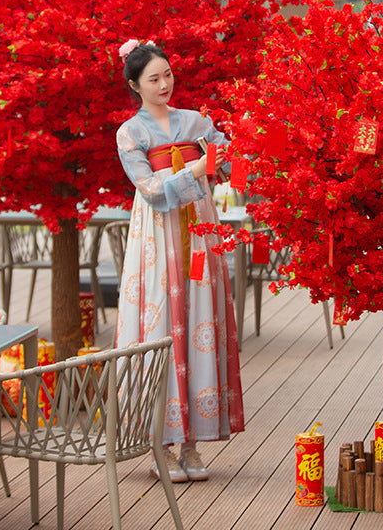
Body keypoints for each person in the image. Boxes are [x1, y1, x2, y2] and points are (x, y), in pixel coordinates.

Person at [115, 39, 244, 483]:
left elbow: (226, 161)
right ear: (135, 85)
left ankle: (191, 443)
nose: (164, 83)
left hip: (197, 230)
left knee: (197, 319)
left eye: (168, 74)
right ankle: (160, 444)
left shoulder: (197, 121)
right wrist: (195, 169)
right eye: (154, 78)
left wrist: (230, 155)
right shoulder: (130, 133)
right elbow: (149, 189)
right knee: (161, 323)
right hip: (156, 233)